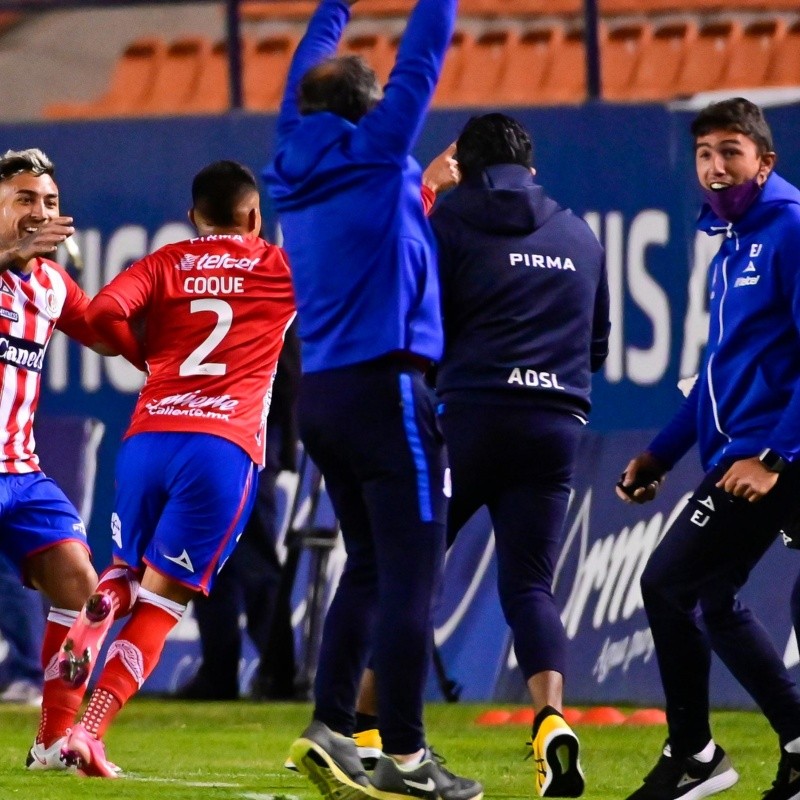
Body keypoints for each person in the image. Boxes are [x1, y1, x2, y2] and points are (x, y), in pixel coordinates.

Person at [264, 0, 482, 799]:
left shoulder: (289, 156)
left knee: (367, 565)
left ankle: (328, 725)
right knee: (411, 578)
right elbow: (422, 58)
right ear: (368, 112)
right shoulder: (376, 153)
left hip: (319, 393)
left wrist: (333, 8)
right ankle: (409, 758)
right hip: (387, 386)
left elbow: (305, 73)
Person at [56, 160, 296, 777]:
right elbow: (368, 262)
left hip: (147, 437)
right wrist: (427, 196)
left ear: (193, 218)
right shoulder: (276, 267)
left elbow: (104, 312)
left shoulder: (163, 263)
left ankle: (101, 603)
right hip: (220, 448)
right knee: (161, 607)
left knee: (123, 573)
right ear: (252, 215)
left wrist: (150, 360)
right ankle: (90, 732)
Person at [616, 97, 800, 800]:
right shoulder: (733, 248)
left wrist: (775, 457)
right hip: (742, 453)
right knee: (712, 598)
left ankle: (695, 755)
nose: (716, 168)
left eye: (731, 151)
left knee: (669, 582)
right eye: (704, 155)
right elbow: (719, 378)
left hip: (773, 454)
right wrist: (659, 455)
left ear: (765, 160)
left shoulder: (788, 230)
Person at [427, 114, 609, 797]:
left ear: (465, 168)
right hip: (555, 424)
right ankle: (551, 718)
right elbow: (597, 346)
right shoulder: (579, 233)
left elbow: (419, 318)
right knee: (531, 586)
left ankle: (365, 728)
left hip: (467, 417)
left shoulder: (446, 222)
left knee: (411, 569)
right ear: (531, 168)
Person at [0, 147, 119, 770]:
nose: (39, 212)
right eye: (24, 199)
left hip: (19, 474)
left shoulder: (49, 283)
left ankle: (50, 744)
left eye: (48, 202)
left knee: (83, 588)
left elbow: (106, 334)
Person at [176, 323, 300, 701]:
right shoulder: (218, 282)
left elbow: (288, 370)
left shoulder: (267, 281)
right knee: (211, 558)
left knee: (255, 555)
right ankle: (219, 672)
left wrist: (271, 435)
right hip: (209, 432)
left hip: (253, 436)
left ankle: (279, 674)